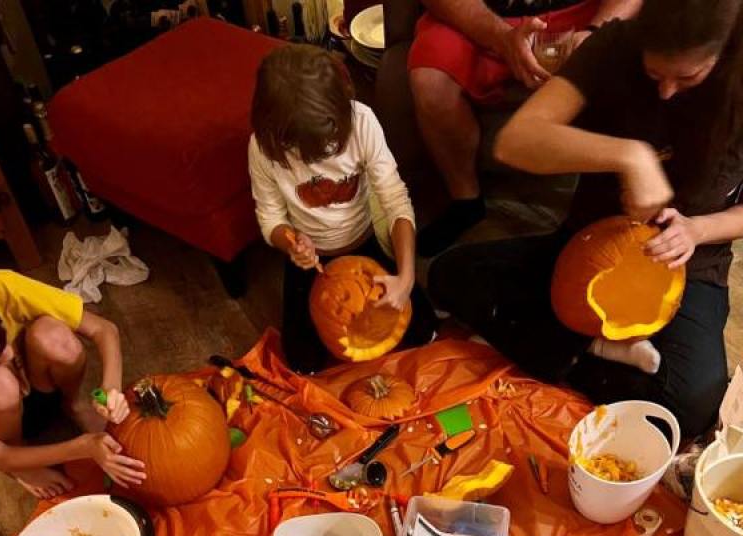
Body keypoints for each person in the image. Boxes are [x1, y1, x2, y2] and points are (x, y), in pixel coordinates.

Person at [428, 0, 743, 437]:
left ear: (726, 49)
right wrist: (628, 156)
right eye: (655, 74)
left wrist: (698, 229)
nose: (667, 91)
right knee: (449, 275)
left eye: (687, 76)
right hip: (589, 245)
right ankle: (594, 347)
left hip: (686, 266)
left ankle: (553, 348)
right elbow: (515, 142)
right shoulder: (615, 45)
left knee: (691, 407)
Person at [248, 44, 436, 375]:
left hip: (365, 237)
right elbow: (270, 218)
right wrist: (290, 242)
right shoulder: (263, 149)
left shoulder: (362, 122)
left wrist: (406, 277)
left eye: (333, 143)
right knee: (303, 363)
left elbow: (395, 200)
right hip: (312, 257)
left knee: (423, 331)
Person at [410, 0, 643, 256]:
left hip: (585, 15)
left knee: (624, 61)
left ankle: (605, 208)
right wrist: (500, 37)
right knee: (430, 81)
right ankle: (465, 200)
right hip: (482, 17)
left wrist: (596, 33)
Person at [0, 270, 145, 499]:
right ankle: (23, 460)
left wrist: (110, 387)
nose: (8, 354)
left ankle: (71, 404)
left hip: (38, 378)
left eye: (3, 335)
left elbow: (104, 329)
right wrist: (81, 447)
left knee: (54, 337)